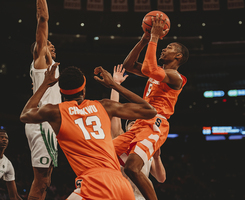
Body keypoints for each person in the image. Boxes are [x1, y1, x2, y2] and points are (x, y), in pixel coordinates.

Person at [20, 63, 157, 200]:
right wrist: (114, 85)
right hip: (122, 185)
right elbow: (150, 110)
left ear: (61, 92)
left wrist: (45, 84)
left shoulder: (55, 112)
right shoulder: (104, 106)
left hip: (95, 185)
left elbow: (25, 114)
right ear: (84, 90)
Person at [112, 14, 189, 200]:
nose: (164, 49)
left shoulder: (176, 78)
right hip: (139, 122)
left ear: (178, 56)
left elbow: (149, 69)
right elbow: (128, 65)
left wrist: (154, 37)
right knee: (103, 153)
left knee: (132, 167)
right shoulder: (158, 73)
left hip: (156, 124)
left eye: (169, 48)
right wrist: (144, 40)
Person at [110, 64, 166, 200]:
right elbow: (114, 111)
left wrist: (157, 158)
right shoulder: (120, 137)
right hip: (121, 195)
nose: (137, 125)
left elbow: (161, 178)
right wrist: (115, 84)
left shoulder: (146, 146)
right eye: (133, 124)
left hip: (141, 196)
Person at [25, 0, 61, 199]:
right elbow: (43, 19)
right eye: (48, 44)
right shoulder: (40, 62)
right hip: (42, 124)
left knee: (46, 181)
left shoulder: (51, 67)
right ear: (38, 49)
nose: (51, 45)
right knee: (41, 182)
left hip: (49, 123)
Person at [0, 130, 23, 200]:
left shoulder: (7, 164)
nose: (4, 139)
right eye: (1, 137)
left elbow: (14, 196)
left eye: (6, 138)